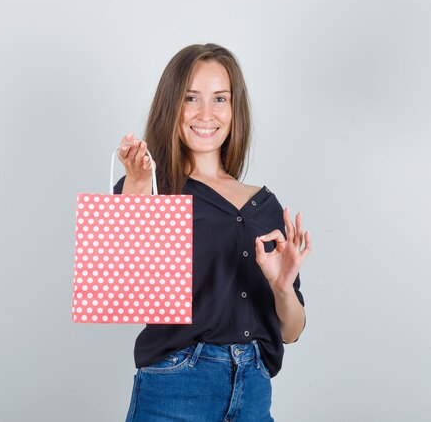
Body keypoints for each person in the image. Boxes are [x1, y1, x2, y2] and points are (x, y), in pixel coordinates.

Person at [114, 43, 312, 422]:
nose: (206, 113)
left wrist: (283, 287)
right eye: (191, 98)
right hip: (176, 389)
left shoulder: (265, 205)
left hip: (253, 392)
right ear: (171, 105)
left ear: (235, 110)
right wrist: (138, 183)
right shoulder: (156, 189)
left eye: (220, 98)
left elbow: (291, 331)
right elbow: (123, 275)